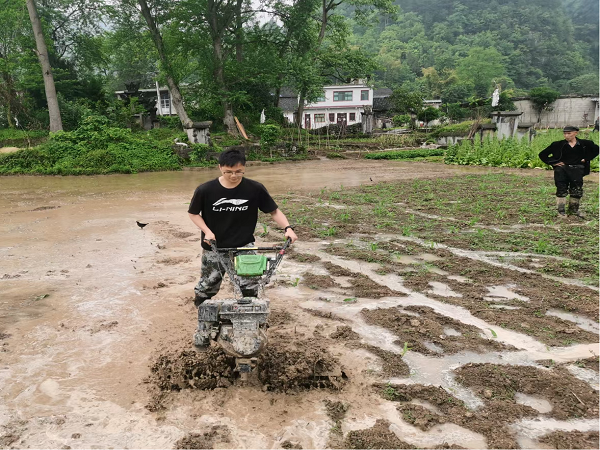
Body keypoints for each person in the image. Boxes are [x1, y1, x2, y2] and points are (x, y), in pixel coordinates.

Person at [188, 149, 298, 305]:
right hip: (213, 245)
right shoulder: (205, 190)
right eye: (228, 172)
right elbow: (193, 213)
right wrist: (207, 232)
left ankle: (250, 314)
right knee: (209, 284)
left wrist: (288, 228)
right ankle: (201, 311)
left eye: (238, 172)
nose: (233, 176)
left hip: (244, 245)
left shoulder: (255, 188)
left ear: (245, 168)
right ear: (220, 168)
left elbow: (273, 211)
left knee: (249, 283)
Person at [538, 125, 599, 218]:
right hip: (562, 170)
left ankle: (574, 210)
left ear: (576, 133)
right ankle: (561, 211)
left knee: (576, 190)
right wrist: (554, 163)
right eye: (565, 134)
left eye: (569, 133)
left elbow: (596, 150)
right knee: (561, 189)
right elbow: (542, 154)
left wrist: (586, 159)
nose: (566, 136)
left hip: (577, 169)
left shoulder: (585, 144)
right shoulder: (557, 145)